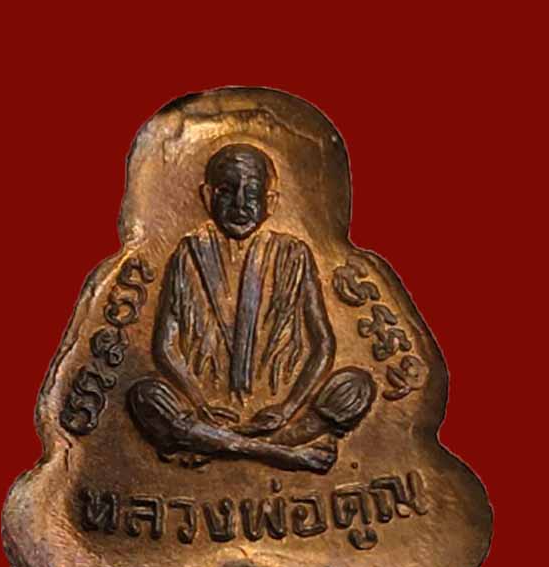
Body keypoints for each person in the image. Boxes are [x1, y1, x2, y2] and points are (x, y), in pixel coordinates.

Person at [127, 144, 375, 473]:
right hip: (205, 411)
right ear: (207, 197)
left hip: (278, 415)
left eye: (252, 193)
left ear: (270, 202)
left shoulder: (295, 254)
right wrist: (200, 403)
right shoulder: (188, 253)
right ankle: (279, 452)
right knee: (145, 394)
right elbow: (165, 346)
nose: (240, 204)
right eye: (227, 192)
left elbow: (323, 344)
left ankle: (217, 444)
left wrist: (287, 408)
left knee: (357, 385)